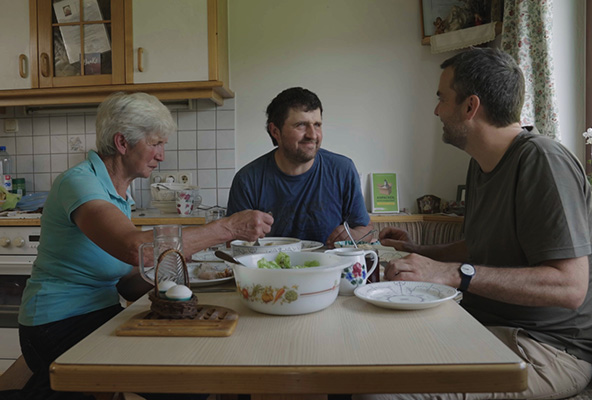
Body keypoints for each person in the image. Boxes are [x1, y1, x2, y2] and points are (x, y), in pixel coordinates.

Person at [357, 48, 592, 400]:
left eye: (442, 98)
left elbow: (570, 287)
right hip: (482, 326)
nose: (436, 110)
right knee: (360, 352)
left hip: (546, 349)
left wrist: (453, 274)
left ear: (470, 107)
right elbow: (479, 245)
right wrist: (419, 251)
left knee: (383, 393)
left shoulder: (542, 160)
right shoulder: (481, 164)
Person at [12, 92, 273, 400]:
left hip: (99, 314)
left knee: (200, 358)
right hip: (56, 325)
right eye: (155, 143)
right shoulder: (79, 182)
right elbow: (135, 249)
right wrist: (228, 228)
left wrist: (186, 297)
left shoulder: (118, 193)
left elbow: (125, 276)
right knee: (185, 389)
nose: (161, 155)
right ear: (123, 143)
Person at [226, 87, 373, 248]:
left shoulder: (343, 170)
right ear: (275, 131)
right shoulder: (248, 179)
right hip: (268, 271)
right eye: (301, 125)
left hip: (329, 269)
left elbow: (366, 230)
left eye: (317, 125)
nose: (312, 134)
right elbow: (232, 243)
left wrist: (354, 235)